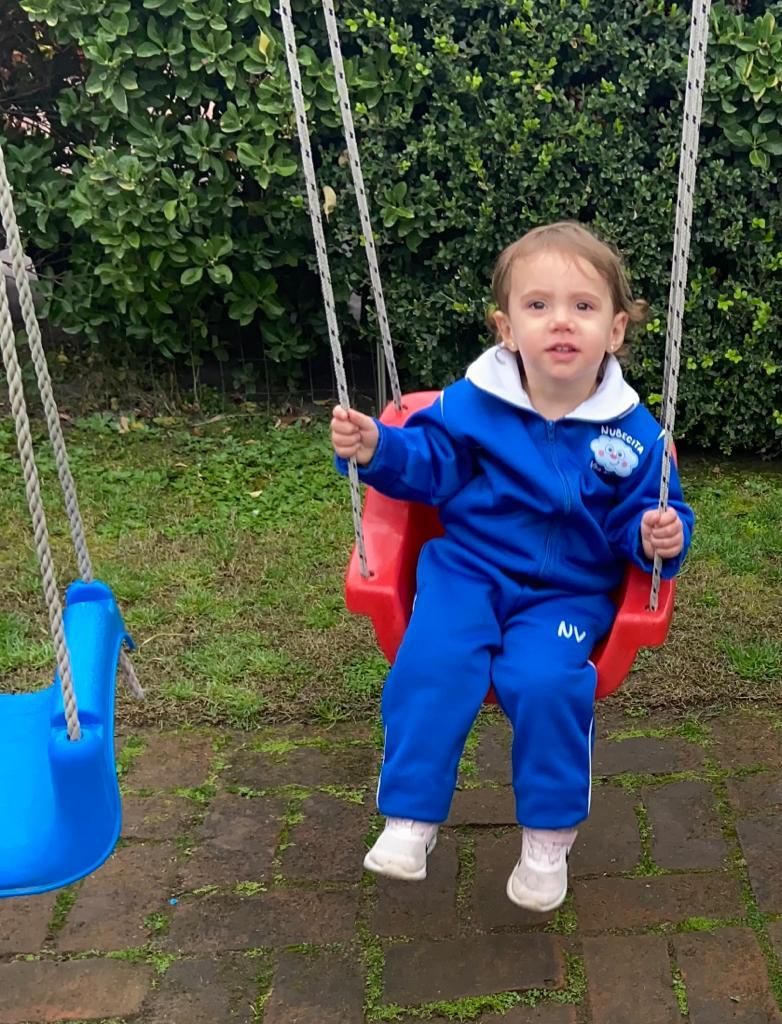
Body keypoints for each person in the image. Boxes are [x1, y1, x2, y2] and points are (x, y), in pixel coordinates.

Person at [331, 221, 694, 912]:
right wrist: (379, 447)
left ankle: (548, 839)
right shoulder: (473, 404)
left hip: (567, 593)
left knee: (547, 682)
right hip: (468, 571)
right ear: (506, 328)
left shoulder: (635, 434)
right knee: (435, 659)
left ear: (615, 330)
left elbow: (645, 517)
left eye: (583, 306)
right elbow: (430, 466)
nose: (561, 321)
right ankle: (410, 817)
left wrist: (658, 537)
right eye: (538, 305)